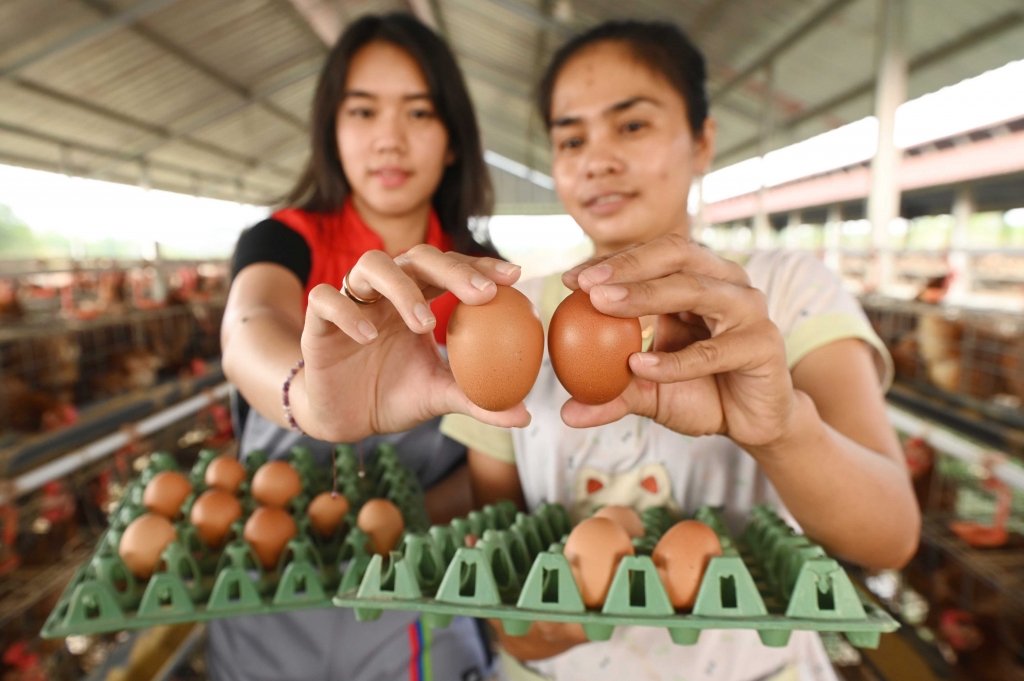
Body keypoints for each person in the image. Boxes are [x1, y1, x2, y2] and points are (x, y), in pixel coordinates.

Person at [434, 19, 922, 681]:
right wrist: (512, 626)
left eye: (630, 126)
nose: (596, 158)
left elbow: (890, 535)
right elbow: (492, 528)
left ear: (702, 139)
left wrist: (779, 428)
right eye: (570, 137)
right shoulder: (516, 313)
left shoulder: (782, 291)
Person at [211, 12, 506, 681]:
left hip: (414, 582)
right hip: (271, 583)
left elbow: (497, 460)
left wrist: (401, 522)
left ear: (453, 138)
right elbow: (248, 325)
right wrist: (308, 394)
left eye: (419, 113)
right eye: (364, 111)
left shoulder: (479, 275)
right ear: (332, 130)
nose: (389, 140)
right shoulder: (284, 242)